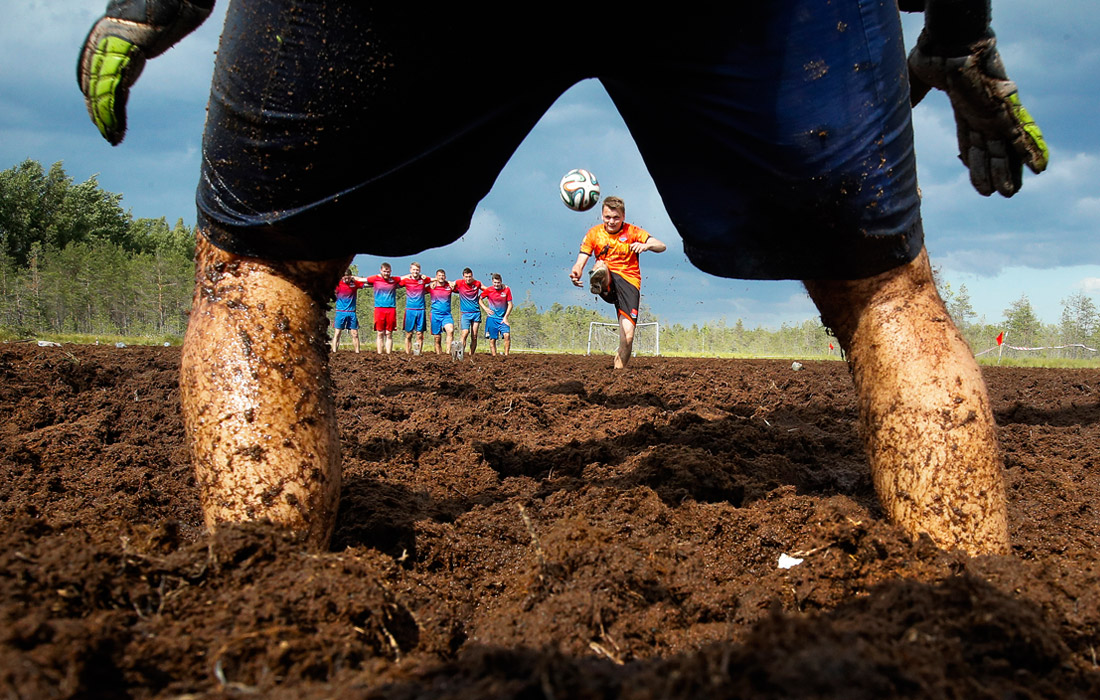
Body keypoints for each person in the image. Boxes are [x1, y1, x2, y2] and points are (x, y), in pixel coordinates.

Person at [79, 1, 1047, 554]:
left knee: (261, 275)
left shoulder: (619, 238)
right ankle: (974, 618)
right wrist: (957, 24)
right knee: (883, 295)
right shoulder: (603, 238)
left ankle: (262, 602)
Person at [570, 197, 666, 369]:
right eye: (608, 217)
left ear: (623, 216)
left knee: (628, 338)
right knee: (601, 265)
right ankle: (599, 282)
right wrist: (577, 270)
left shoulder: (633, 232)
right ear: (602, 216)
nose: (611, 221)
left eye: (616, 217)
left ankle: (618, 374)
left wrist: (646, 246)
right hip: (608, 278)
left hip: (629, 282)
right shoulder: (594, 233)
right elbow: (581, 259)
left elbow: (661, 245)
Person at [364, 262, 400, 354]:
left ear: (390, 271)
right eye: (384, 271)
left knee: (389, 333)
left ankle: (388, 354)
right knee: (380, 333)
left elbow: (405, 278)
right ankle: (380, 354)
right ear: (381, 271)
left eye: (388, 272)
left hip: (391, 309)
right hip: (379, 309)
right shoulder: (375, 278)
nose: (386, 273)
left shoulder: (394, 280)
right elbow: (362, 280)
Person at [332, 271, 368, 354]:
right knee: (337, 333)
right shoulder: (338, 284)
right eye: (345, 277)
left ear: (351, 276)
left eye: (348, 277)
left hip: (351, 312)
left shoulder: (354, 284)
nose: (346, 279)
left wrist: (356, 278)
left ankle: (357, 352)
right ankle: (334, 352)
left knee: (355, 334)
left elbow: (367, 283)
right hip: (340, 312)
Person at [399, 262, 429, 355]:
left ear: (419, 271)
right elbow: (396, 282)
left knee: (419, 334)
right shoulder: (406, 280)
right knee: (409, 334)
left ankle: (418, 353)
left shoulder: (423, 280)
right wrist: (405, 276)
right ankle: (408, 353)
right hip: (410, 310)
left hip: (421, 310)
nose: (415, 271)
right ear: (410, 270)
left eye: (417, 270)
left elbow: (436, 279)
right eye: (414, 269)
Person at [480, 273, 513, 357]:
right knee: (492, 339)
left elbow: (510, 304)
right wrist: (485, 308)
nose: (496, 284)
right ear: (492, 282)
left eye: (498, 283)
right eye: (495, 282)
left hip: (502, 318)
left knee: (507, 335)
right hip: (492, 318)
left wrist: (506, 317)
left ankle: (506, 355)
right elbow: (479, 299)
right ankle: (494, 357)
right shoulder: (489, 290)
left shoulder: (506, 290)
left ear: (501, 282)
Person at [454, 268, 484, 356]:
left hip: (476, 312)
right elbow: (450, 284)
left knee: (474, 335)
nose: (468, 279)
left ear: (472, 276)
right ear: (463, 276)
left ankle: (471, 355)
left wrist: (482, 297)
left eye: (470, 277)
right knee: (465, 333)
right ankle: (460, 353)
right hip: (465, 314)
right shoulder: (459, 282)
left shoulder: (477, 283)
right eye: (466, 277)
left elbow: (487, 290)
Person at [427, 269, 457, 356]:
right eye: (439, 275)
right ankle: (439, 355)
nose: (441, 277)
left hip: (446, 315)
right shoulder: (432, 287)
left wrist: (451, 283)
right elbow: (420, 288)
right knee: (437, 338)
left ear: (445, 277)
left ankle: (448, 353)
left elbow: (460, 287)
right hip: (435, 315)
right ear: (436, 277)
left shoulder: (449, 286)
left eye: (443, 275)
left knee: (450, 330)